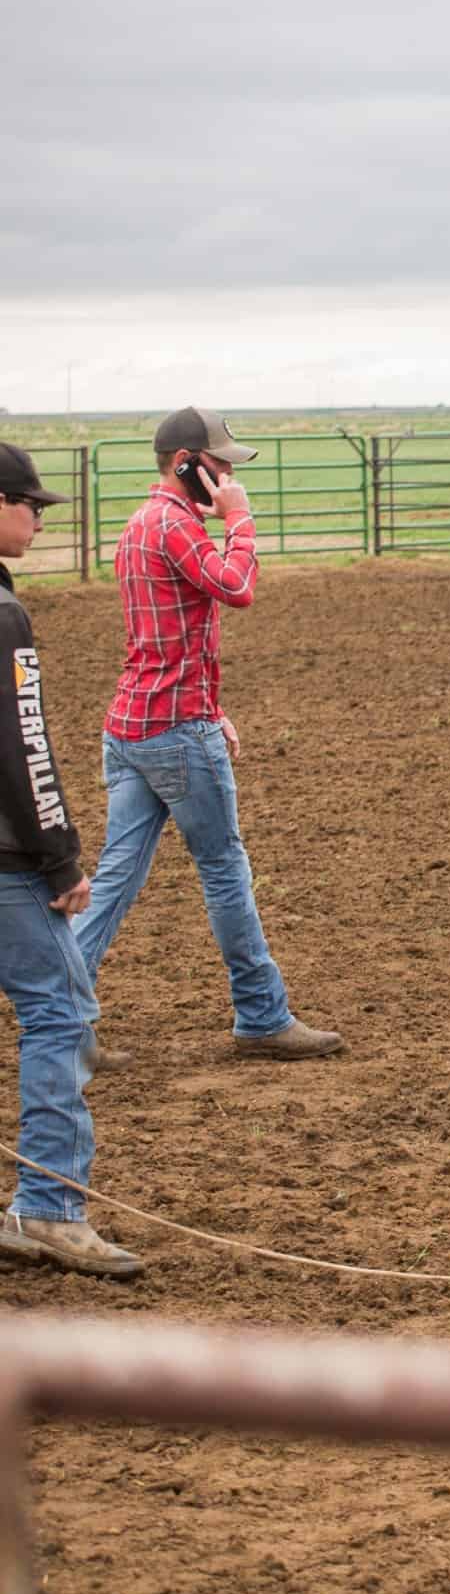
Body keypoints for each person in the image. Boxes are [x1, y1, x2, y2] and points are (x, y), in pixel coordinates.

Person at [70, 408, 342, 1061]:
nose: (226, 474)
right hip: (176, 733)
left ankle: (61, 1014)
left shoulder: (140, 524)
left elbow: (163, 635)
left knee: (115, 878)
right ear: (186, 461)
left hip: (133, 725)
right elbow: (236, 587)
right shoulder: (178, 526)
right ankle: (262, 1014)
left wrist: (211, 704)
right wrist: (240, 520)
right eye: (218, 464)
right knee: (224, 870)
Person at [0, 445, 142, 1278]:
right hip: (10, 858)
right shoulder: (6, 618)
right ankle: (49, 1207)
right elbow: (22, 744)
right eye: (29, 503)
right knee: (60, 1014)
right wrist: (60, 859)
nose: (40, 517)